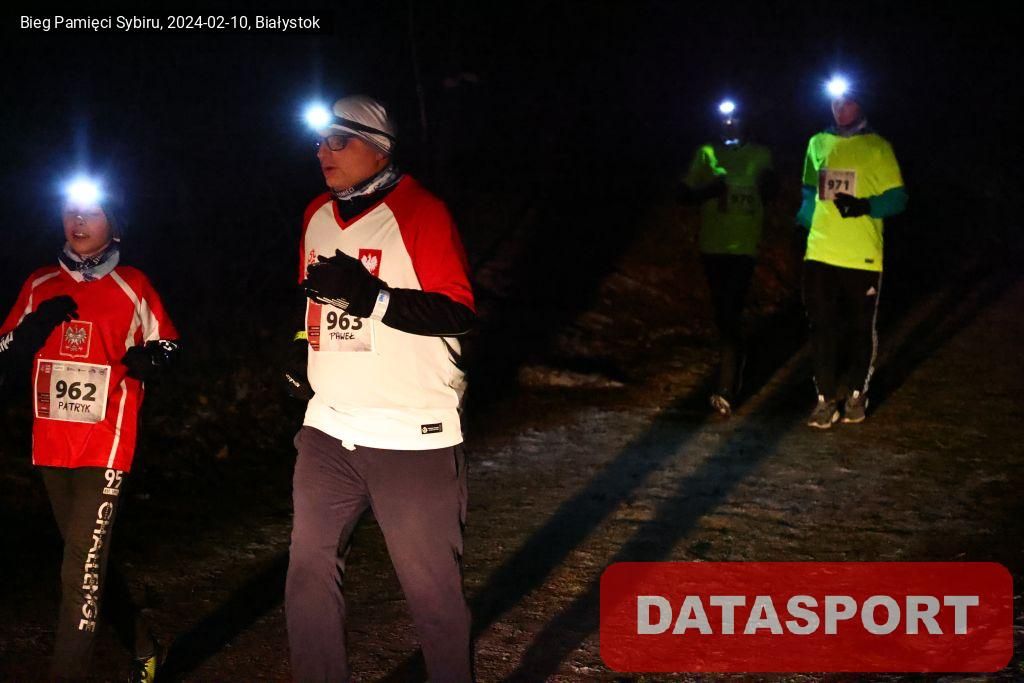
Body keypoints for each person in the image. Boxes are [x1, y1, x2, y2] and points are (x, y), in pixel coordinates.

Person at [284, 95, 476, 682]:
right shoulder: (316, 213)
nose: (324, 152)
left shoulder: (422, 212)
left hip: (410, 436)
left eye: (339, 141)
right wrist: (299, 350)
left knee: (433, 597)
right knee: (307, 577)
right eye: (319, 141)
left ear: (379, 148)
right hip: (328, 428)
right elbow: (311, 303)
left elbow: (459, 312)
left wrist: (374, 299)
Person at [0, 177, 180, 681]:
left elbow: (169, 344)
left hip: (106, 444)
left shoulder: (133, 284)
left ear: (115, 225)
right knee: (85, 564)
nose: (77, 221)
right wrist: (29, 331)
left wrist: (153, 360)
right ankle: (143, 643)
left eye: (91, 213)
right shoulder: (39, 283)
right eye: (69, 211)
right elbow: (3, 350)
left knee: (78, 569)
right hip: (51, 446)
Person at [795, 76, 908, 428]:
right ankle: (825, 399)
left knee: (860, 328)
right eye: (834, 102)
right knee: (822, 327)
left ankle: (857, 394)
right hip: (820, 252)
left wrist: (865, 207)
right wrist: (803, 224)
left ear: (860, 104)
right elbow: (809, 190)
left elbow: (898, 198)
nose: (839, 108)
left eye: (846, 102)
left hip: (861, 255)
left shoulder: (878, 147)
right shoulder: (817, 142)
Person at [679, 99, 775, 416]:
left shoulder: (760, 154)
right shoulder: (706, 152)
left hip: (744, 247)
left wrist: (768, 186)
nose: (730, 124)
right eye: (725, 119)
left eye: (735, 119)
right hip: (713, 246)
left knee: (731, 311)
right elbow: (683, 193)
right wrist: (707, 191)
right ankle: (732, 367)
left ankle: (726, 386)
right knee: (723, 314)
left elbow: (771, 189)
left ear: (745, 121)